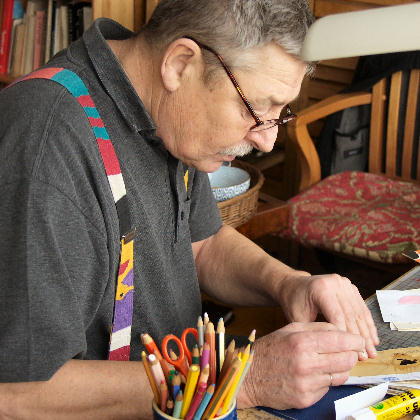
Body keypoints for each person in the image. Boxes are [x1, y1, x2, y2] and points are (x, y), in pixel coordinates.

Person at [0, 0, 379, 418]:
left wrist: (288, 283)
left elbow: (202, 245)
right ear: (180, 64)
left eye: (280, 113)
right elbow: (17, 395)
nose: (268, 141)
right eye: (255, 108)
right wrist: (242, 379)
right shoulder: (45, 146)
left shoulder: (168, 113)